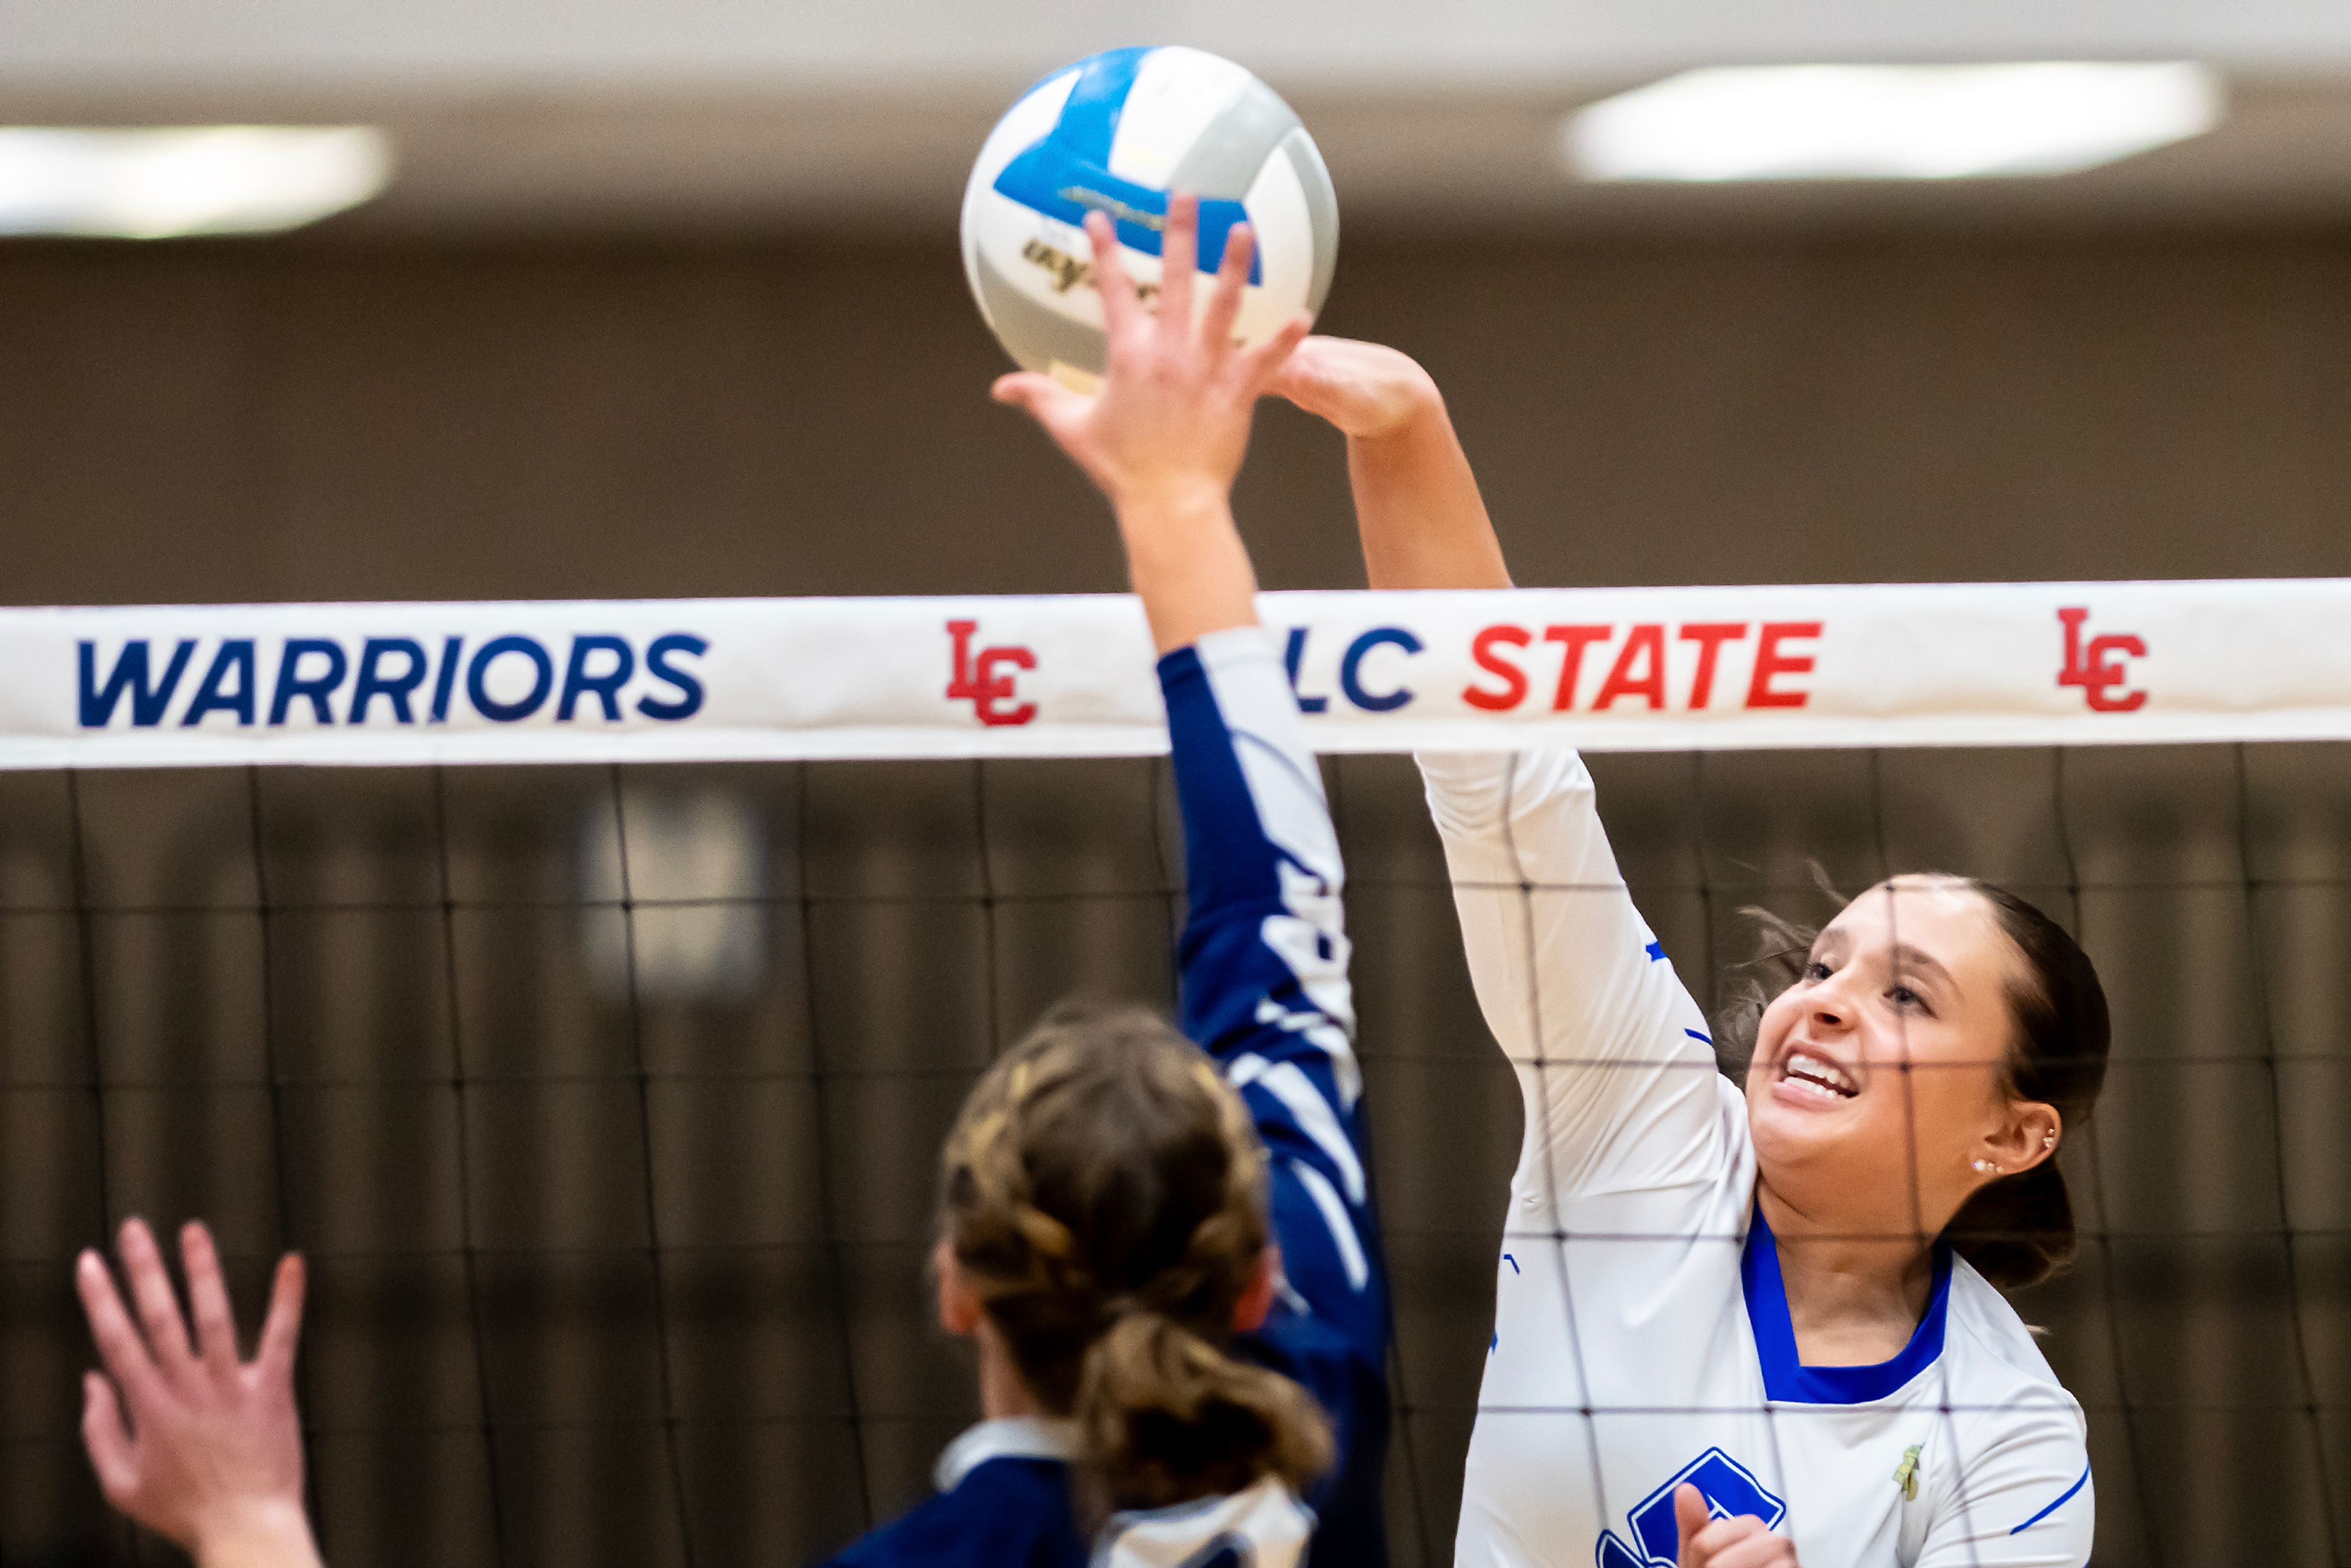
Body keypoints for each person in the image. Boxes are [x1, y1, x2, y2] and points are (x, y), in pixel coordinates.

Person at [72, 197, 1390, 1568]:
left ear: (954, 1285)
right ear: (1256, 1280)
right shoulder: (1319, 1409)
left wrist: (247, 1524)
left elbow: (1280, 930)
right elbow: (1278, 926)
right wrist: (1178, 502)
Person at [1268, 339, 2106, 1568]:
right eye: (1823, 969)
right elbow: (1505, 777)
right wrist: (1404, 430)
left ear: (2014, 1133)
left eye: (1907, 998)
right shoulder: (1642, 1128)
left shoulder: (2012, 1439)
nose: (1824, 1007)